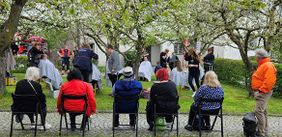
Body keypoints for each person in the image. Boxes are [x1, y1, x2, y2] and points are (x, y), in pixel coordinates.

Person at [251, 49, 277, 137]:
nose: (255, 58)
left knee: (258, 111)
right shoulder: (264, 65)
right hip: (262, 91)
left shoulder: (267, 65)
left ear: (259, 57)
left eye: (256, 56)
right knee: (263, 111)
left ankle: (261, 132)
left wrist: (260, 91)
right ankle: (264, 131)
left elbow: (269, 81)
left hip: (263, 92)